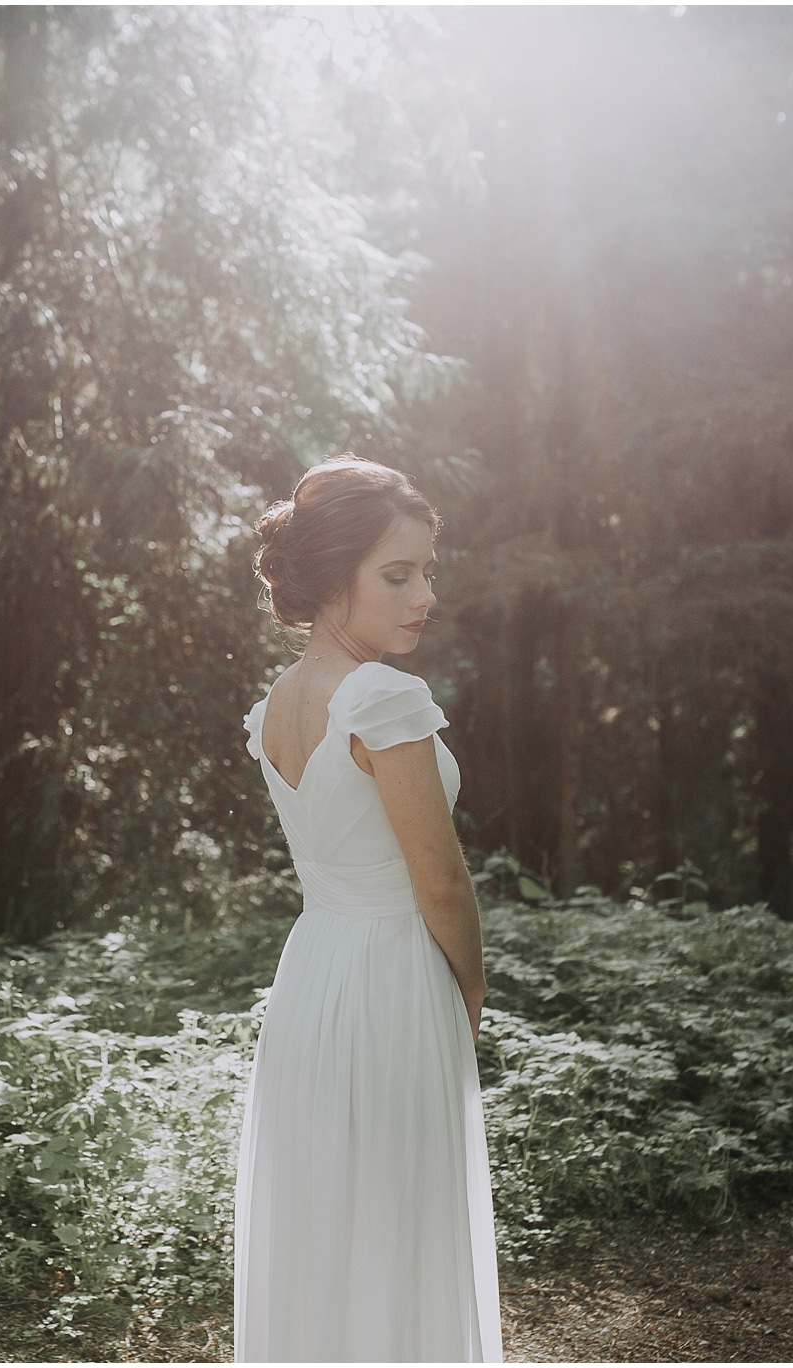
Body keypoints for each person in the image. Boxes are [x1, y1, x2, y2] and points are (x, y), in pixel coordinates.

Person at [233, 456, 502, 1362]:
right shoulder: (384, 698)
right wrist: (467, 996)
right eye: (397, 574)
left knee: (329, 1219)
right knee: (400, 1222)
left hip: (313, 976)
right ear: (333, 575)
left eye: (428, 570)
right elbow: (442, 882)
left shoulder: (278, 702)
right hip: (394, 976)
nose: (424, 592)